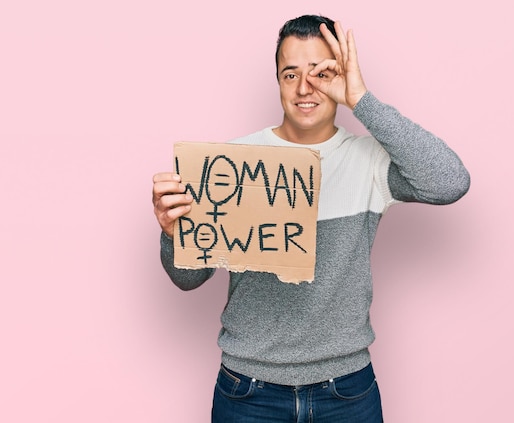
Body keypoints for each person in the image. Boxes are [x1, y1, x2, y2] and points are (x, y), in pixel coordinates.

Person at [152, 14, 470, 422]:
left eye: (321, 73)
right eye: (291, 74)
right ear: (278, 81)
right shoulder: (231, 163)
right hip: (249, 390)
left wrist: (361, 99)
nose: (305, 88)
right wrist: (172, 235)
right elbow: (188, 280)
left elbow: (449, 181)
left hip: (347, 390)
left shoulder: (370, 162)